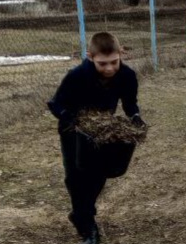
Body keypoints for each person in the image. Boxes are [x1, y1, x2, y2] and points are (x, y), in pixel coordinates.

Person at [47, 32, 146, 244]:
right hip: (72, 130)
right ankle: (87, 225)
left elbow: (130, 104)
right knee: (75, 176)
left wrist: (136, 117)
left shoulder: (127, 76)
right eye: (103, 63)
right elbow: (55, 103)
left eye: (114, 62)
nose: (109, 68)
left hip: (101, 131)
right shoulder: (77, 76)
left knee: (99, 174)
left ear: (121, 53)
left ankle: (83, 215)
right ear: (90, 56)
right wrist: (69, 118)